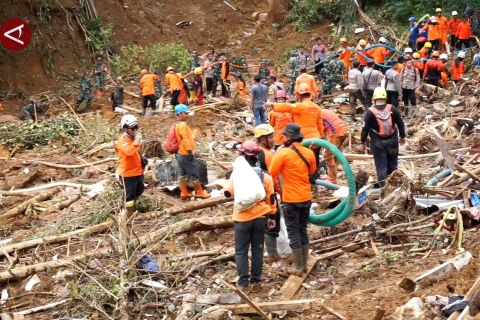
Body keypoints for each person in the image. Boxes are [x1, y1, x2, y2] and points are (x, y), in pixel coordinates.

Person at [223, 140, 275, 291]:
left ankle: (243, 283)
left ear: (242, 155)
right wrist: (272, 217)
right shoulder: (265, 176)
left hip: (242, 218)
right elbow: (271, 198)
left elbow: (228, 193)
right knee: (258, 249)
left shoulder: (237, 174)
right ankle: (256, 281)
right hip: (260, 217)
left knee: (241, 251)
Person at [269, 123, 317, 276]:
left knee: (293, 232)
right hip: (306, 197)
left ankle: (298, 267)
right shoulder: (308, 152)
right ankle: (303, 264)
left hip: (291, 198)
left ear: (288, 137)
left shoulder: (283, 154)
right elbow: (312, 170)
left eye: (284, 136)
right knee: (302, 229)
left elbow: (272, 171)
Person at [266, 83, 324, 166]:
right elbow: (320, 125)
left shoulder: (299, 106)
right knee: (315, 161)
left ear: (299, 95)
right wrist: (321, 138)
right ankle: (314, 176)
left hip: (304, 140)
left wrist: (272, 105)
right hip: (316, 138)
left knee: (302, 163)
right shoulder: (317, 107)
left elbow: (287, 107)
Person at [360, 87, 406, 187]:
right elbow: (400, 124)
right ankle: (395, 186)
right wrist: (402, 136)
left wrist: (362, 141)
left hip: (377, 143)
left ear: (374, 98)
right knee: (393, 165)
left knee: (381, 166)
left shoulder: (370, 113)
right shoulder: (392, 108)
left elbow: (365, 129)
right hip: (393, 141)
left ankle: (384, 189)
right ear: (385, 97)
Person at [254, 125, 282, 262]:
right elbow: (274, 177)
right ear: (262, 139)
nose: (273, 140)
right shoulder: (268, 154)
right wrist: (281, 193)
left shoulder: (252, 152)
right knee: (272, 221)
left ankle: (262, 252)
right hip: (268, 194)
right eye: (270, 137)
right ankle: (273, 255)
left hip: (255, 196)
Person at [174, 104, 210, 200]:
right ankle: (200, 192)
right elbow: (185, 138)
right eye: (185, 113)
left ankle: (184, 192)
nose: (187, 115)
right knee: (193, 172)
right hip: (185, 153)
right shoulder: (182, 125)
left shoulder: (177, 124)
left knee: (182, 173)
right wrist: (190, 150)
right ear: (180, 114)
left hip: (179, 153)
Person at [115, 115, 145, 213]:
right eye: (133, 128)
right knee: (129, 198)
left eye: (136, 127)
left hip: (137, 172)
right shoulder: (122, 141)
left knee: (140, 190)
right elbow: (129, 152)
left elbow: (136, 153)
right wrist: (137, 141)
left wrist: (142, 160)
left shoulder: (133, 139)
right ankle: (128, 216)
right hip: (127, 174)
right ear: (125, 129)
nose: (135, 130)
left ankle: (128, 208)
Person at [320, 108, 348, 183]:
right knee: (336, 154)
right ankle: (332, 176)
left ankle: (331, 179)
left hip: (336, 132)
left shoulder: (316, 114)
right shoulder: (323, 111)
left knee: (328, 155)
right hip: (343, 130)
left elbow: (321, 132)